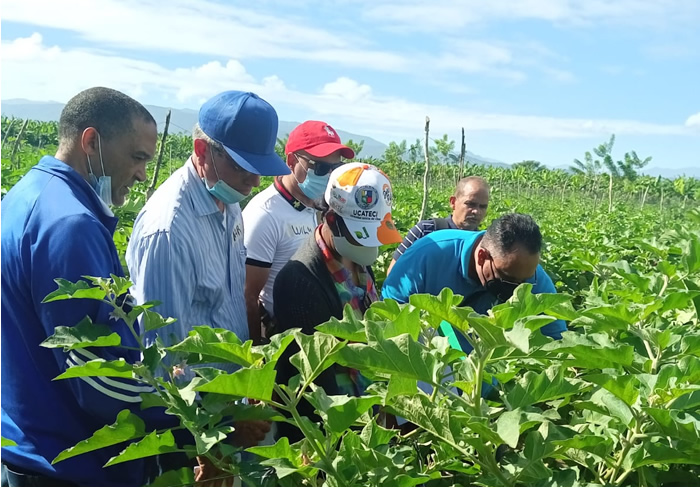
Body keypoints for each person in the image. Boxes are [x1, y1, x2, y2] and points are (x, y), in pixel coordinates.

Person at [1, 87, 175, 486]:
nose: (142, 174)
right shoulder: (71, 224)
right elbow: (98, 378)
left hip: (27, 444)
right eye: (137, 158)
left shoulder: (26, 194)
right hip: (69, 465)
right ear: (91, 142)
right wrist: (188, 413)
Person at [126, 90, 289, 356]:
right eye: (242, 166)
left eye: (259, 169)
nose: (255, 182)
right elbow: (164, 350)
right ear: (202, 151)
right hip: (200, 394)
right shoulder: (169, 230)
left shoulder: (228, 196)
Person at [272, 162, 403, 441]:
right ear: (331, 220)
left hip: (368, 411)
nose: (368, 247)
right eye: (360, 236)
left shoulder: (356, 259)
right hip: (330, 430)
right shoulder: (300, 280)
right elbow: (314, 380)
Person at [382, 213, 567, 352]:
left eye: (524, 281)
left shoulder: (531, 275)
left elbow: (556, 339)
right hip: (430, 376)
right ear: (482, 256)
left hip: (487, 385)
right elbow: (389, 313)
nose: (517, 289)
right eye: (508, 279)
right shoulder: (429, 254)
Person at [242, 120, 354, 344]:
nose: (329, 176)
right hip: (284, 337)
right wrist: (257, 351)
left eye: (334, 169)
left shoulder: (322, 205)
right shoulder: (266, 214)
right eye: (321, 168)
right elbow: (248, 295)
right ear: (292, 162)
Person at [387, 176, 489, 274]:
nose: (476, 211)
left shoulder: (484, 243)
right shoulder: (425, 230)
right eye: (470, 204)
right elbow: (393, 272)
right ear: (453, 202)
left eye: (483, 207)